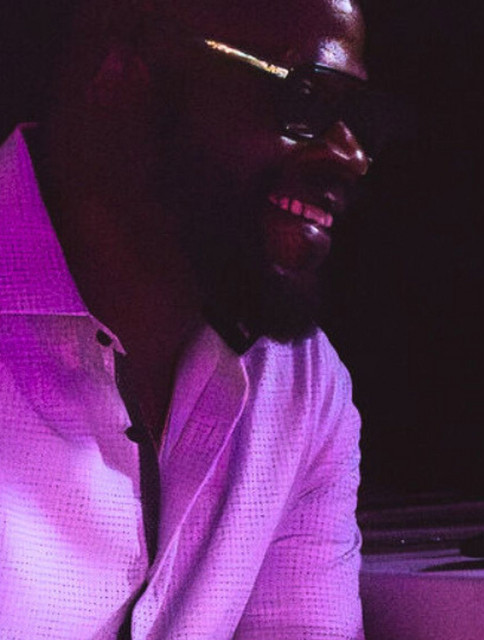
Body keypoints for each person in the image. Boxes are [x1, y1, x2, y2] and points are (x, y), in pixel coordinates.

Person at [0, 0, 388, 636]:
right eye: (307, 98)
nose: (352, 155)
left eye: (359, 116)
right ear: (125, 61)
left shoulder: (300, 388)